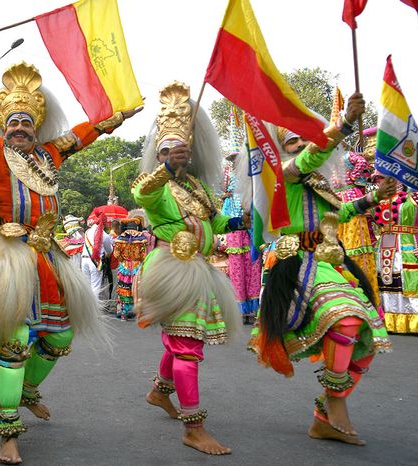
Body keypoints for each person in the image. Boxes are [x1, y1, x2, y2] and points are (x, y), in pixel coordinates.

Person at [0, 36, 139, 464]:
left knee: (61, 335)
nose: (19, 129)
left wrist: (117, 115)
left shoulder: (50, 155)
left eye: (27, 124)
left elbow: (82, 135)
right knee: (14, 342)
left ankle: (29, 388)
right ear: (4, 128)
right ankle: (8, 431)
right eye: (12, 123)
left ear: (37, 129)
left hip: (49, 258)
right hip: (8, 258)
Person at [247, 92, 395, 446]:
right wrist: (343, 124)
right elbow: (316, 153)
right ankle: (335, 402)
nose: (300, 145)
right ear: (282, 150)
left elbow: (336, 216)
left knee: (368, 340)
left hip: (331, 261)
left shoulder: (316, 182)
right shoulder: (286, 174)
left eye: (302, 138)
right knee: (344, 318)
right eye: (292, 141)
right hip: (298, 262)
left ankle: (323, 414)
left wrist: (375, 196)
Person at [133, 81, 245, 456]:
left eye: (181, 150)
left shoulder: (197, 186)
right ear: (159, 155)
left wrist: (245, 221)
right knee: (187, 345)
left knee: (184, 341)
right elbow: (144, 194)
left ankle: (159, 391)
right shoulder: (153, 185)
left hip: (199, 270)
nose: (176, 156)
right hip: (172, 269)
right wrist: (165, 167)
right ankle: (193, 428)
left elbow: (217, 223)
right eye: (167, 151)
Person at [371, 175, 418, 334]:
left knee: (413, 281)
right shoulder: (376, 200)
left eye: (386, 177)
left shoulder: (416, 197)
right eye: (380, 178)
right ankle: (390, 321)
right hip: (385, 248)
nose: (382, 181)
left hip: (410, 246)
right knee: (388, 280)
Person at [335, 136, 379, 308]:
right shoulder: (329, 161)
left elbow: (362, 162)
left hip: (350, 197)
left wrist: (354, 177)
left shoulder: (348, 156)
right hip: (338, 200)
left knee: (356, 244)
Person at [221, 152, 261, 324]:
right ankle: (240, 310)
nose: (235, 164)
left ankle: (253, 308)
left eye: (238, 161)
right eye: (232, 161)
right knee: (237, 268)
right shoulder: (227, 176)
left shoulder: (252, 177)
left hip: (251, 222)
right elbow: (217, 191)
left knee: (253, 265)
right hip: (234, 222)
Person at [112, 217, 147, 320]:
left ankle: (124, 312)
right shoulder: (142, 238)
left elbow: (116, 254)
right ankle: (137, 311)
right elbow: (144, 255)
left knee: (124, 288)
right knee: (137, 288)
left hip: (124, 267)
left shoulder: (120, 238)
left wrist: (124, 259)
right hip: (137, 266)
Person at [82, 210, 114, 301]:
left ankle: (86, 308)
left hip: (84, 260)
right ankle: (94, 311)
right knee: (95, 287)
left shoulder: (87, 231)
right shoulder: (105, 235)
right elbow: (110, 250)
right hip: (95, 262)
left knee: (87, 286)